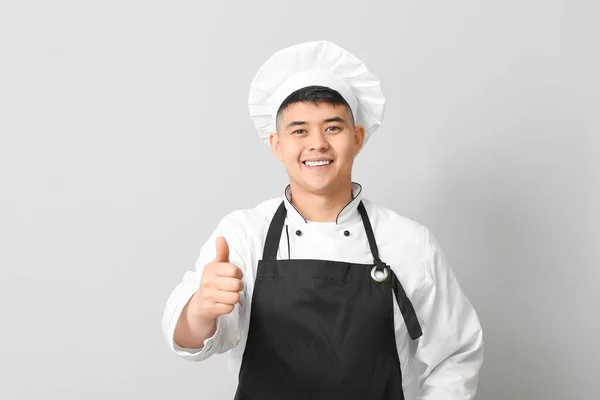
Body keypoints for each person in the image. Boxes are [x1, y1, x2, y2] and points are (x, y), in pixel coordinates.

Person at [161, 40, 484, 400]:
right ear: (277, 144)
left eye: (333, 128)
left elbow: (457, 354)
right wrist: (201, 309)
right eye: (299, 130)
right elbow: (188, 339)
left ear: (357, 138)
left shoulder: (408, 241)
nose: (317, 143)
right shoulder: (243, 234)